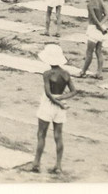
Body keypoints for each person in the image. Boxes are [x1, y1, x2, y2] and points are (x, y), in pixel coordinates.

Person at [31, 44, 78, 174]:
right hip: (60, 105)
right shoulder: (66, 74)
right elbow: (74, 91)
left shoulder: (47, 74)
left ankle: (36, 163)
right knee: (58, 135)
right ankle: (58, 165)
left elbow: (48, 93)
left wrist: (57, 101)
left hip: (48, 104)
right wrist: (62, 99)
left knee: (41, 134)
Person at [77, 0, 107, 79]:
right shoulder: (100, 0)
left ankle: (83, 71)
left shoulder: (90, 4)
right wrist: (102, 26)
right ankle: (99, 72)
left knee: (89, 52)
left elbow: (94, 19)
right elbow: (106, 15)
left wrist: (99, 27)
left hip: (93, 29)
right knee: (99, 51)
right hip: (101, 27)